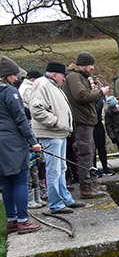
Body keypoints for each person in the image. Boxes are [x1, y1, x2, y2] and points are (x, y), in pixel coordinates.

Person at [28, 61, 86, 214]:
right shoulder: (42, 84)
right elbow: (36, 109)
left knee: (61, 168)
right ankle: (55, 204)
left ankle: (65, 199)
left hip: (59, 134)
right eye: (62, 76)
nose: (64, 79)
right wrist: (55, 122)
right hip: (51, 133)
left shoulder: (53, 85)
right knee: (54, 170)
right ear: (55, 74)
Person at [0, 56, 42, 234]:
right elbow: (20, 119)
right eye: (13, 75)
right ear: (6, 75)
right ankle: (23, 221)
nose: (16, 79)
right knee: (20, 180)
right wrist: (33, 142)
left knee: (6, 182)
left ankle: (12, 220)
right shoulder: (10, 92)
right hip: (13, 142)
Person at [62, 51, 109, 198]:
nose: (93, 68)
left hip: (88, 120)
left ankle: (92, 182)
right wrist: (100, 92)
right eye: (91, 65)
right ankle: (86, 186)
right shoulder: (74, 77)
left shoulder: (81, 77)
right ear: (84, 64)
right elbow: (81, 96)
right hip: (81, 121)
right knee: (85, 153)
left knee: (90, 152)